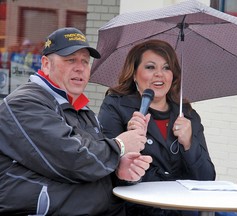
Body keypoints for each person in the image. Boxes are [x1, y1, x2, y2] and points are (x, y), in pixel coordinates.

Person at [0, 27, 152, 216]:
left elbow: (94, 164)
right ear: (46, 64)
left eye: (85, 61)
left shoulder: (82, 109)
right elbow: (73, 160)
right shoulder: (24, 103)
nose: (80, 67)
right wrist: (121, 145)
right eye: (70, 60)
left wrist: (119, 171)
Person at [98, 39, 216, 216]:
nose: (159, 74)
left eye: (166, 68)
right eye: (150, 67)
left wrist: (189, 143)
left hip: (181, 210)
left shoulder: (188, 115)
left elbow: (207, 179)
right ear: (134, 74)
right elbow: (107, 170)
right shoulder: (115, 107)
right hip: (135, 210)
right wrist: (129, 140)